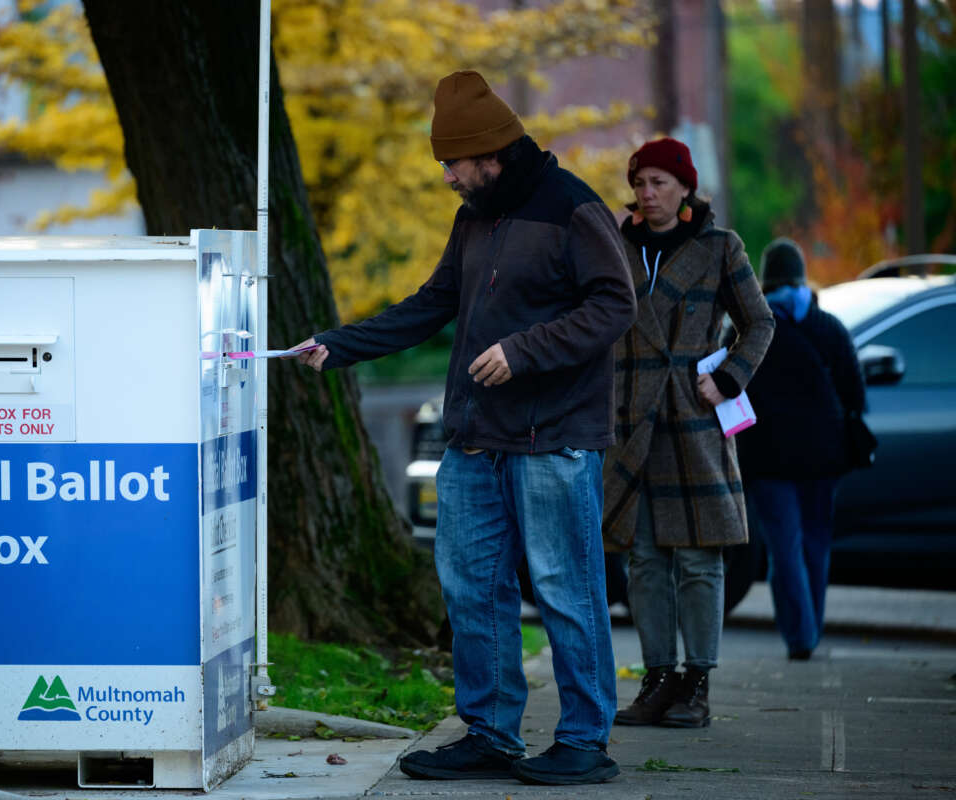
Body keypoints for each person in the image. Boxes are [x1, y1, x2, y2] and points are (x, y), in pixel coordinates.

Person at [295, 70, 636, 785]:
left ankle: (584, 740)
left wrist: (523, 351)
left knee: (566, 590)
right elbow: (433, 303)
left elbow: (615, 306)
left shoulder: (574, 208)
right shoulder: (475, 215)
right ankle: (489, 732)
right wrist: (340, 344)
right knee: (471, 590)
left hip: (554, 441)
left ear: (490, 153)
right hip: (475, 442)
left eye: (452, 163)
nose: (446, 176)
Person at [603, 137, 773, 729]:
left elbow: (760, 322)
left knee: (699, 560)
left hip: (693, 420)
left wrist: (728, 378)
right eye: (640, 183)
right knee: (643, 560)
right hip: (629, 424)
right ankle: (657, 679)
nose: (647, 194)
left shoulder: (719, 247)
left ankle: (697, 682)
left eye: (659, 183)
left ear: (684, 189)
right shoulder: (615, 247)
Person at [736, 238, 865, 661]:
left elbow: (729, 388)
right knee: (815, 543)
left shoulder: (748, 328)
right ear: (801, 276)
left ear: (765, 279)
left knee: (784, 547)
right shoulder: (827, 326)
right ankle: (813, 628)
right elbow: (855, 393)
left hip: (766, 459)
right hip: (824, 459)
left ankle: (800, 636)